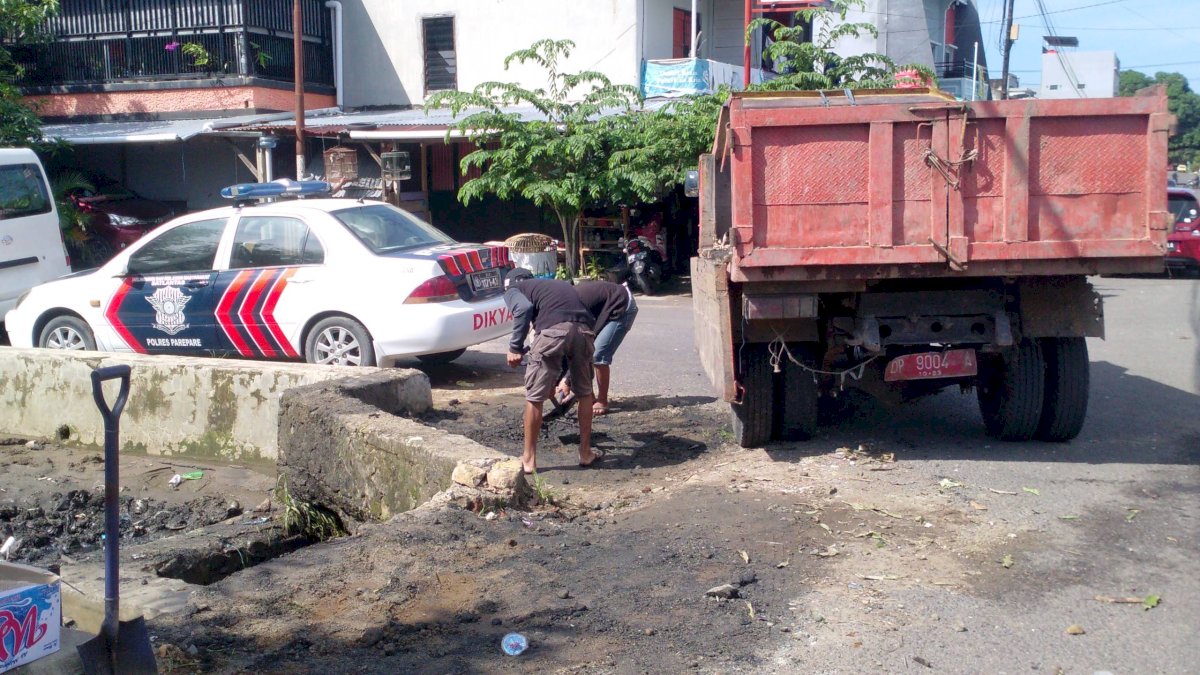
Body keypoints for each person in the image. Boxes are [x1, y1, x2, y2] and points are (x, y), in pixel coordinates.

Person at [503, 267, 600, 473]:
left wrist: (514, 348)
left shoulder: (513, 289)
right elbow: (568, 329)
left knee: (534, 397)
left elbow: (523, 309)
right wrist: (555, 379)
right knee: (584, 393)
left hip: (554, 332)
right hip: (584, 331)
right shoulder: (555, 286)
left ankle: (528, 459)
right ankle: (585, 453)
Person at [567, 279, 638, 415]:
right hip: (604, 309)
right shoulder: (564, 306)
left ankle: (602, 400)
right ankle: (589, 396)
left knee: (598, 355)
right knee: (583, 351)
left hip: (621, 305)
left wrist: (566, 380)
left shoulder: (572, 307)